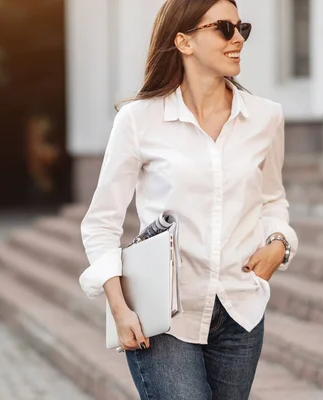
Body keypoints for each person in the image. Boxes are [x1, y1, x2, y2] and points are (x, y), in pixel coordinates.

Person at [79, 0, 298, 398]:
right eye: (223, 29)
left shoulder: (266, 118)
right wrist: (119, 307)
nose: (238, 40)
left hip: (240, 309)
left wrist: (279, 243)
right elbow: (101, 223)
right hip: (163, 314)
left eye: (241, 28)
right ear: (184, 41)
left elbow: (272, 200)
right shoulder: (139, 120)